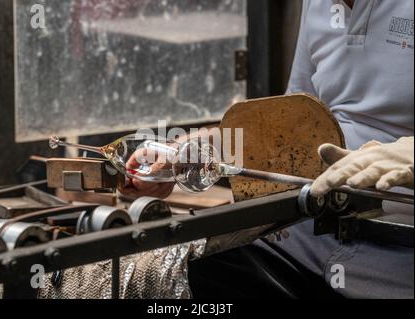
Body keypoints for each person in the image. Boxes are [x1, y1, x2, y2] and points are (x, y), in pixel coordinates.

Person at [119, 0, 414, 298]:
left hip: (393, 256)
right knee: (153, 279)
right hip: (300, 231)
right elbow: (289, 127)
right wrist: (186, 151)